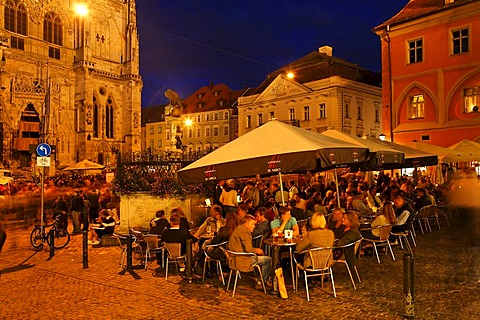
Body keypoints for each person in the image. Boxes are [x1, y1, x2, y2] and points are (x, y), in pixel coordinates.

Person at [228, 214, 272, 290]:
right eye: (252, 224)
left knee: (261, 258)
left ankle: (260, 279)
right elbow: (248, 249)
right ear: (246, 223)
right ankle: (261, 282)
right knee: (268, 260)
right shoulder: (245, 232)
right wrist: (257, 250)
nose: (254, 226)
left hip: (234, 258)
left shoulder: (239, 229)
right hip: (242, 259)